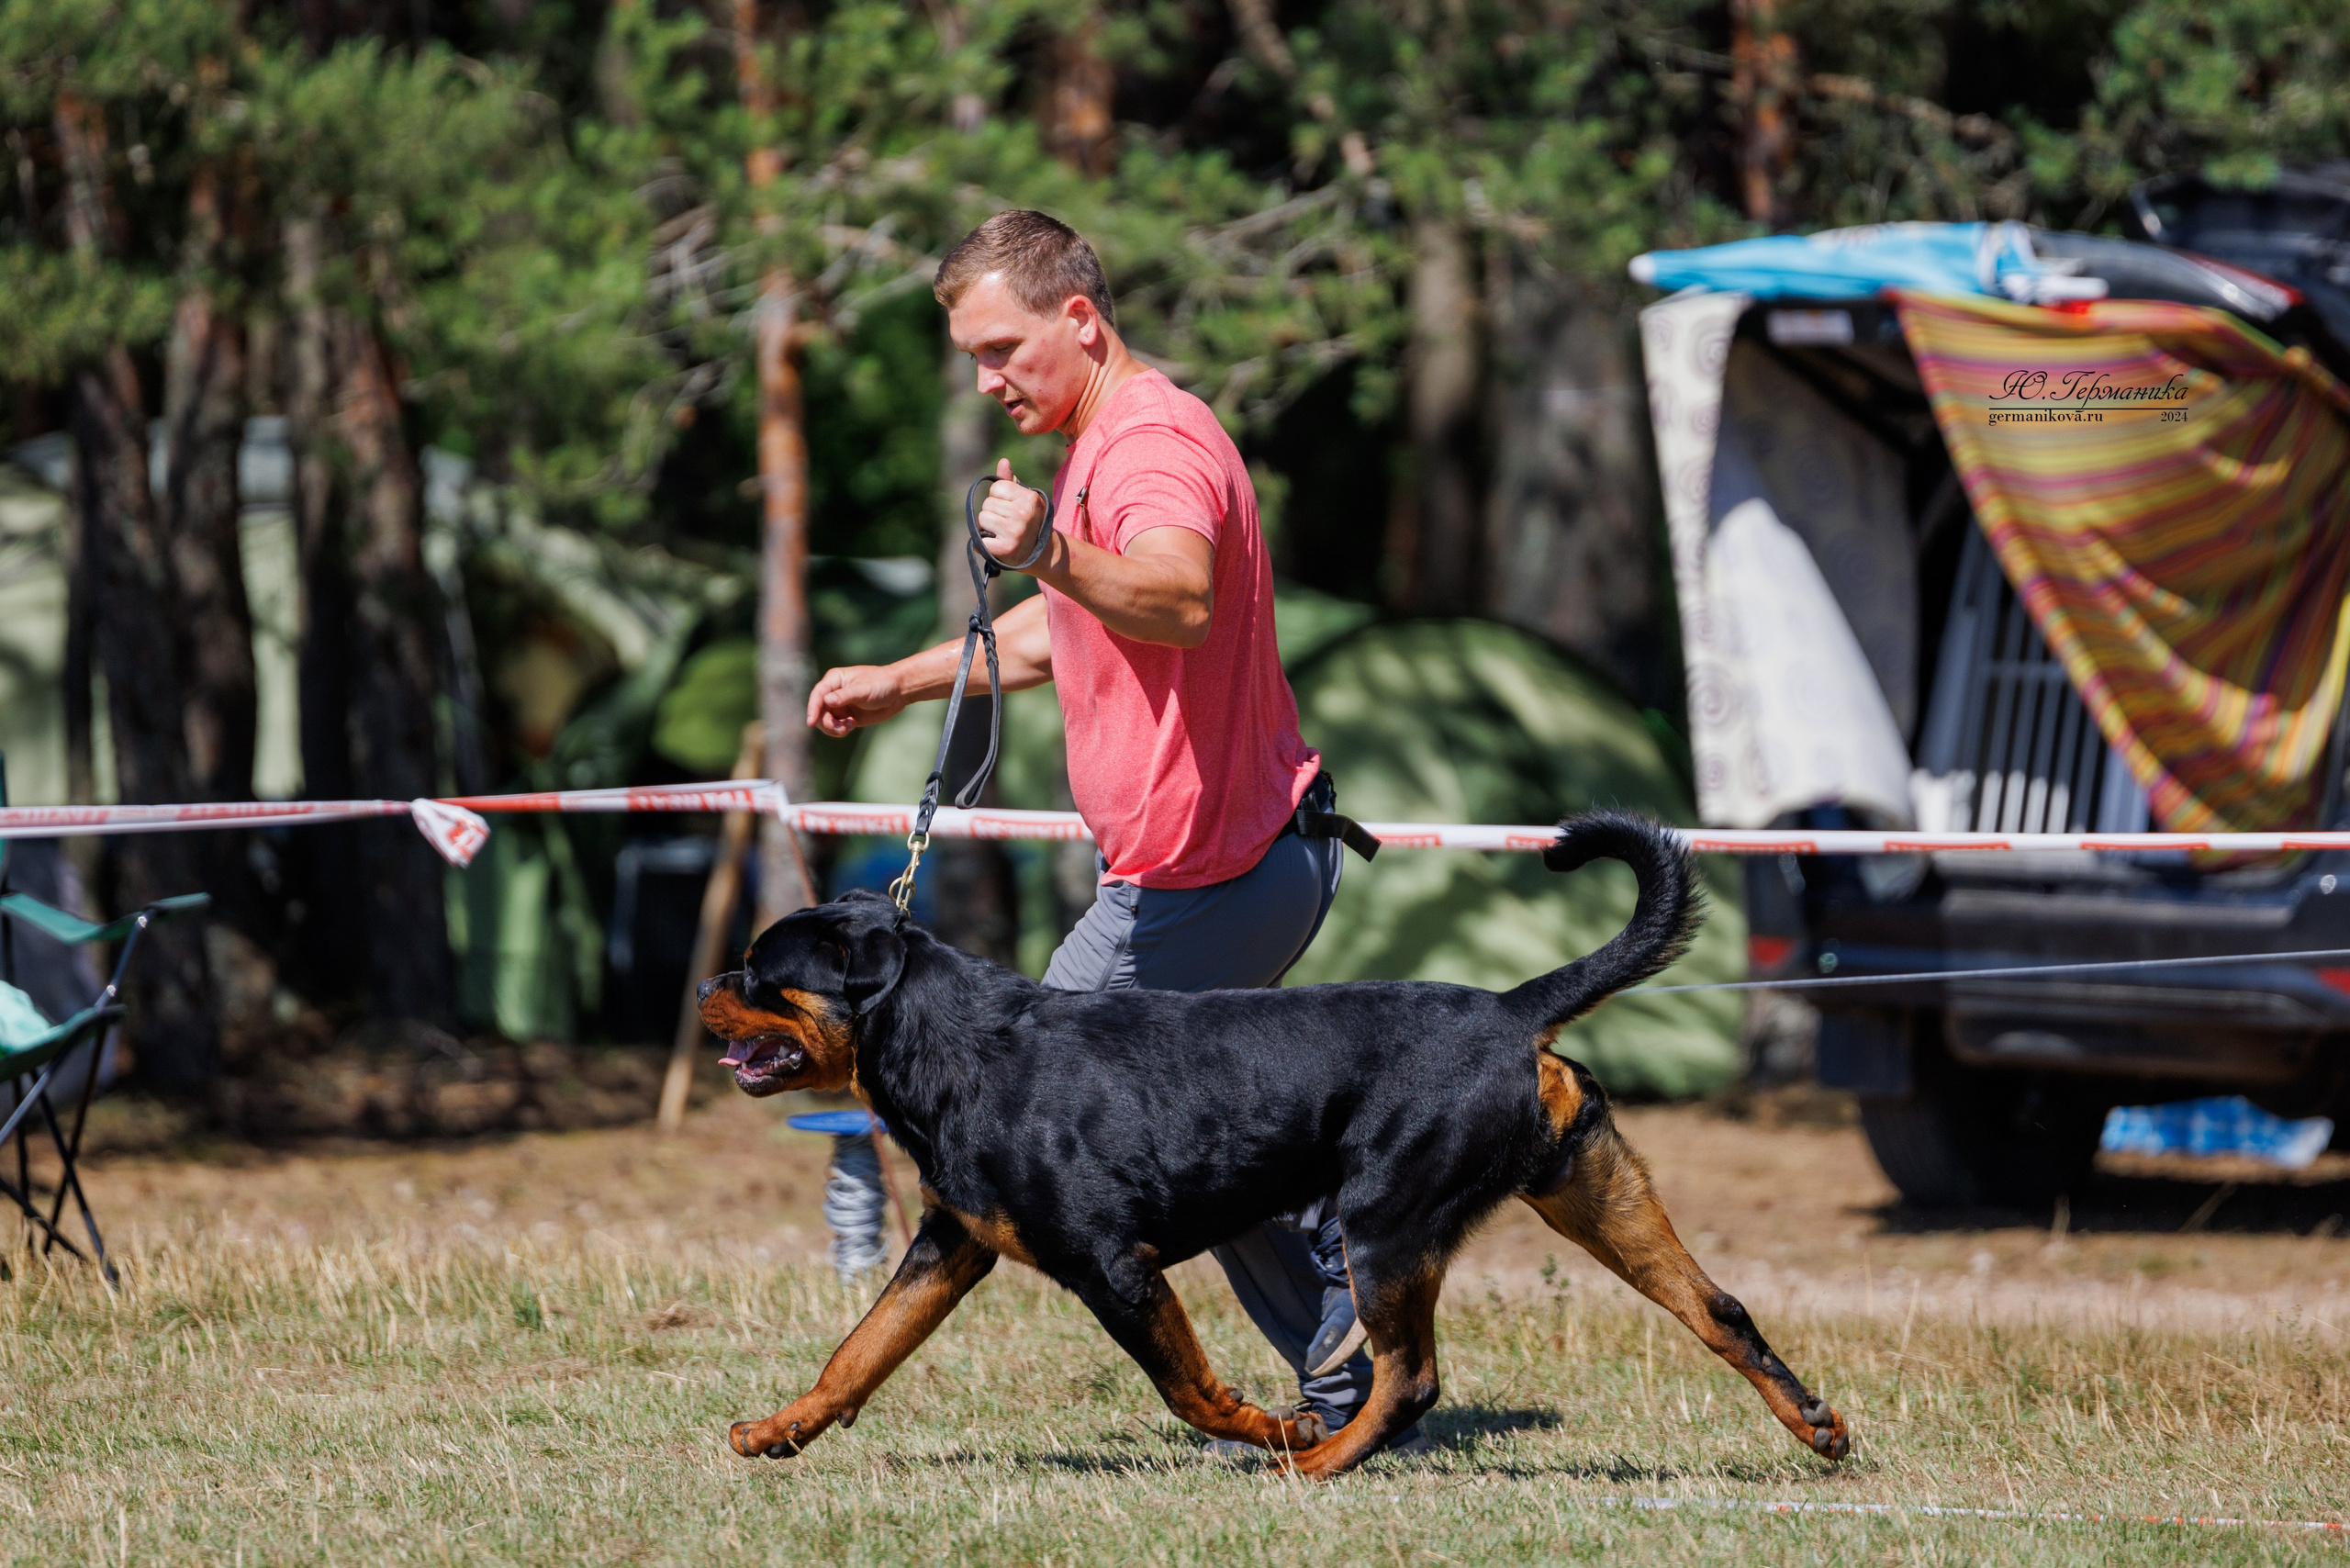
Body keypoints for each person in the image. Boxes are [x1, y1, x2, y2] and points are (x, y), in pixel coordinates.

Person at [806, 209, 1413, 1452]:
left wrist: (1050, 546)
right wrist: (902, 677)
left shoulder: (1145, 450)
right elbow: (1063, 627)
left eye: (1002, 349)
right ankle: (1362, 1372)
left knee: (1022, 1119)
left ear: (1078, 318)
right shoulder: (1102, 441)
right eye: (972, 358)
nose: (987, 381)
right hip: (1225, 864)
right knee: (1194, 1134)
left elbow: (1177, 597)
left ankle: (1361, 1317)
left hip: (1211, 875)